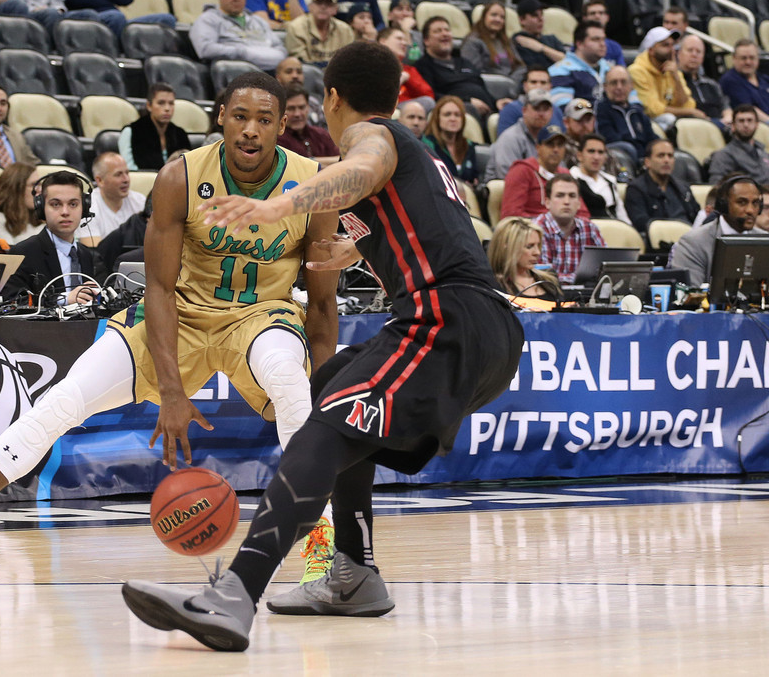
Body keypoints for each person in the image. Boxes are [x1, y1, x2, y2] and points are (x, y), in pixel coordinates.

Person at [119, 41, 524, 653]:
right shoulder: (421, 158)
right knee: (328, 388)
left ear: (331, 98)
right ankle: (353, 573)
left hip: (447, 320)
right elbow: (434, 221)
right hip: (477, 326)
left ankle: (236, 594)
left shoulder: (376, 138)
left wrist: (277, 205)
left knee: (324, 426)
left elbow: (364, 166)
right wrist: (360, 250)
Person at [0, 73, 342, 589]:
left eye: (263, 120)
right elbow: (161, 291)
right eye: (240, 117)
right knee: (65, 398)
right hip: (181, 312)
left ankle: (322, 541)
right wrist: (170, 389)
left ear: (283, 124)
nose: (251, 130)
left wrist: (329, 397)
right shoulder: (180, 178)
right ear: (220, 120)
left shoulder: (314, 185)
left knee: (288, 378)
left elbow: (322, 305)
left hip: (260, 316)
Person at [0, 171, 106, 303]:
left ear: (84, 208)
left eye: (73, 204)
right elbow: (12, 301)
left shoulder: (89, 256)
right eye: (56, 204)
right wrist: (64, 299)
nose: (65, 212)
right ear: (41, 207)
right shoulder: (23, 253)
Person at [668, 174, 769, 285]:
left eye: (755, 203)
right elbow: (691, 294)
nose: (750, 210)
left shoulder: (765, 241)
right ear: (723, 205)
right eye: (742, 202)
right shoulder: (693, 243)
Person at [415, 16, 499, 118]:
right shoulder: (423, 66)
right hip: (458, 111)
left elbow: (482, 88)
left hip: (487, 111)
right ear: (426, 40)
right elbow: (431, 95)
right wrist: (465, 101)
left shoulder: (464, 62)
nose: (445, 34)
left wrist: (497, 102)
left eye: (447, 30)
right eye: (438, 31)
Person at [501, 125, 583, 220]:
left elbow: (582, 212)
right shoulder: (522, 170)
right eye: (550, 144)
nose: (556, 150)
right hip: (531, 230)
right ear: (538, 148)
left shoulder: (566, 174)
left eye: (560, 145)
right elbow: (511, 215)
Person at [536, 173, 606, 283]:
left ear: (579, 203)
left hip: (585, 296)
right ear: (547, 202)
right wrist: (580, 279)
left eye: (572, 196)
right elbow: (541, 276)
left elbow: (604, 270)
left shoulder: (590, 228)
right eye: (560, 195)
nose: (567, 202)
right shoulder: (536, 229)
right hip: (547, 296)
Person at [189, 0, 287, 72]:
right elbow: (205, 49)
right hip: (235, 69)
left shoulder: (257, 21)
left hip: (271, 68)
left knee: (292, 68)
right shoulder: (208, 19)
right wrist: (241, 52)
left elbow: (280, 48)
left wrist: (252, 54)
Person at [629, 26, 700, 132]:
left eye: (672, 45)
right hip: (645, 121)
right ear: (651, 50)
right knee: (669, 119)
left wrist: (676, 77)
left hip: (671, 118)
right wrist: (689, 112)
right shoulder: (637, 71)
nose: (671, 50)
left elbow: (688, 104)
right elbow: (653, 110)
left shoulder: (672, 69)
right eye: (665, 45)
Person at [624, 139, 700, 232]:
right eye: (661, 156)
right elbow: (641, 223)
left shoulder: (683, 188)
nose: (666, 160)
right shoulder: (636, 189)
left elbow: (696, 218)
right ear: (647, 162)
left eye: (670, 156)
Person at [485, 87, 554, 182]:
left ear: (552, 112)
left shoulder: (551, 138)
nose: (541, 114)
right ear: (524, 110)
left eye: (545, 109)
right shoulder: (510, 138)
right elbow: (510, 177)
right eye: (536, 108)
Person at [118, 82, 190, 171]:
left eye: (171, 103)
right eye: (161, 103)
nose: (167, 108)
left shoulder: (180, 133)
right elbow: (130, 170)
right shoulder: (131, 131)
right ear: (149, 106)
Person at [595, 65, 658, 164]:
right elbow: (610, 139)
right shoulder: (600, 110)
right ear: (605, 87)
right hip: (620, 160)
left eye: (623, 82)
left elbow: (652, 138)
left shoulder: (637, 112)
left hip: (645, 161)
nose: (619, 87)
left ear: (631, 86)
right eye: (614, 83)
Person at [488, 216, 562, 299]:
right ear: (507, 247)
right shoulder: (492, 285)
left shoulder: (550, 279)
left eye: (538, 245)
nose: (537, 252)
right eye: (529, 246)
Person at [549, 21, 617, 109]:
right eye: (595, 39)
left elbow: (631, 101)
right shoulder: (560, 70)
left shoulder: (612, 69)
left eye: (603, 39)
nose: (602, 44)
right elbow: (563, 108)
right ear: (579, 44)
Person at [81, 152, 145, 244]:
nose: (126, 179)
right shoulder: (88, 207)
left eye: (127, 173)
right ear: (100, 180)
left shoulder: (140, 201)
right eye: (118, 174)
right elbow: (93, 254)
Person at [460, 0, 524, 85]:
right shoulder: (472, 42)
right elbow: (472, 72)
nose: (498, 19)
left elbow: (520, 66)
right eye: (494, 15)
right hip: (488, 86)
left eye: (502, 17)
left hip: (512, 85)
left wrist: (512, 82)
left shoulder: (506, 42)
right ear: (484, 17)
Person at [678, 34, 732, 134]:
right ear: (679, 53)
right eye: (690, 50)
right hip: (693, 128)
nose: (694, 55)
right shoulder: (673, 80)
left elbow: (725, 105)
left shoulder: (711, 84)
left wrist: (728, 116)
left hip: (719, 126)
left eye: (698, 52)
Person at [571, 133, 629, 223]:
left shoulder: (611, 181)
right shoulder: (571, 179)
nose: (596, 157)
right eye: (591, 151)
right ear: (579, 155)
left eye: (600, 152)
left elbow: (622, 214)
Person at [277, 85, 339, 165]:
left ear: (308, 108)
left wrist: (310, 161)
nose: (297, 114)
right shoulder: (276, 140)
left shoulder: (321, 134)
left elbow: (342, 160)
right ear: (281, 111)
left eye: (302, 107)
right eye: (291, 108)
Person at [284, 0, 353, 67]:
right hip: (308, 73)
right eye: (319, 3)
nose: (323, 7)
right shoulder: (296, 27)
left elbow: (348, 59)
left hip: (337, 74)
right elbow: (300, 61)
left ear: (335, 9)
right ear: (310, 6)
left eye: (328, 4)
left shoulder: (345, 30)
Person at [708, 104, 769, 186]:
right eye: (741, 121)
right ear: (733, 126)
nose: (746, 125)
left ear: (757, 125)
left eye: (750, 120)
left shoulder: (762, 153)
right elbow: (716, 187)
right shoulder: (723, 155)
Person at [423, 95, 478, 185]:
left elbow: (474, 177)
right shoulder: (427, 144)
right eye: (447, 114)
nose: (453, 119)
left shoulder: (468, 145)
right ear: (437, 118)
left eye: (457, 115)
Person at [497, 66, 564, 136]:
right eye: (533, 82)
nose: (538, 86)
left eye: (543, 83)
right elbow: (506, 142)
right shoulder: (510, 109)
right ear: (525, 86)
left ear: (550, 87)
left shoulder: (557, 110)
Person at [377, 27, 432, 107]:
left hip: (409, 110)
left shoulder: (409, 70)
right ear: (383, 41)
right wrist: (400, 80)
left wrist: (408, 79)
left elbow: (429, 95)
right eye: (399, 39)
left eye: (405, 40)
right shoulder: (373, 66)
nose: (404, 43)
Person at [0, 162, 44, 245]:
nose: (40, 190)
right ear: (16, 189)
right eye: (33, 185)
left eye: (40, 185)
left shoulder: (46, 219)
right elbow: (9, 255)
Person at [719, 40, 769, 123]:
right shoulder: (730, 80)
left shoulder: (765, 79)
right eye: (743, 58)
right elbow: (750, 110)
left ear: (758, 59)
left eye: (752, 58)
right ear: (734, 59)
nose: (748, 62)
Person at [512, 0, 565, 67]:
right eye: (534, 15)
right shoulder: (520, 41)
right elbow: (533, 68)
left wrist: (542, 48)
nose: (541, 19)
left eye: (542, 14)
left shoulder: (552, 39)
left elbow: (569, 61)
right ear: (522, 20)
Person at [275, 56, 325, 126]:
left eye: (299, 72)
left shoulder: (314, 102)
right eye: (289, 72)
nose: (295, 76)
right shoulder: (272, 104)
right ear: (278, 78)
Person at [582, 0, 625, 66]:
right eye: (592, 13)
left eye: (601, 13)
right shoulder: (579, 44)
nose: (597, 16)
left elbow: (621, 71)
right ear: (584, 18)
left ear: (607, 17)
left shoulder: (615, 47)